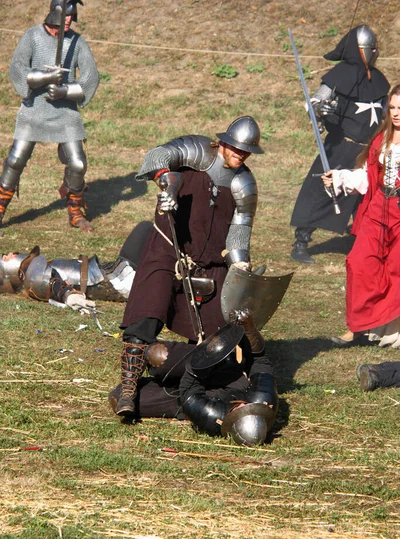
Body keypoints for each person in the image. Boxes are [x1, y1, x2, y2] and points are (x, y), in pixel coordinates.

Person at [115, 116, 264, 417]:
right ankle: (128, 393)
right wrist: (166, 183)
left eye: (246, 151)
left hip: (209, 267)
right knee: (144, 318)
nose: (240, 154)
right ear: (223, 142)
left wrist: (240, 266)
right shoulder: (196, 150)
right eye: (236, 148)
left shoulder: (244, 183)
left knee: (219, 343)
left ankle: (182, 385)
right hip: (168, 249)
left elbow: (239, 231)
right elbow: (159, 156)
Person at [290, 24, 390, 264]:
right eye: (369, 48)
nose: (373, 52)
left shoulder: (378, 80)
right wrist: (318, 108)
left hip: (368, 148)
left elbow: (386, 111)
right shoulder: (340, 75)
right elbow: (314, 103)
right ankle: (301, 242)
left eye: (375, 48)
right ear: (358, 50)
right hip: (340, 146)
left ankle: (364, 242)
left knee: (363, 197)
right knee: (319, 193)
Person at [109, 309, 279, 447]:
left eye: (239, 412)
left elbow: (190, 387)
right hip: (221, 371)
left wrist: (205, 358)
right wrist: (249, 329)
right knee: (158, 355)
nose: (243, 406)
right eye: (248, 408)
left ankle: (159, 383)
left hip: (184, 393)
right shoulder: (262, 399)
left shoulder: (213, 417)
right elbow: (260, 360)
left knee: (116, 397)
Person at [0, 0, 99, 232]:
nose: (68, 19)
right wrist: (44, 79)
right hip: (34, 109)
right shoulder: (33, 36)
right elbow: (18, 69)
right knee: (16, 160)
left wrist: (65, 91)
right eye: (65, 14)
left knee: (77, 163)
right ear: (54, 12)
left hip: (65, 113)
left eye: (71, 15)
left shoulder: (76, 41)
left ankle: (75, 213)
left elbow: (91, 77)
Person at [322, 84, 400, 347]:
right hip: (379, 208)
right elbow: (368, 178)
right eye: (392, 108)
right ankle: (357, 327)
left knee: (395, 269)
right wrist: (339, 178)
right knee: (358, 262)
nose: (396, 113)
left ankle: (389, 329)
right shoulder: (381, 140)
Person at [0, 221, 153, 306]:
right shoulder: (33, 276)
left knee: (146, 228)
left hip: (115, 271)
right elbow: (54, 283)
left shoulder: (35, 270)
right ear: (8, 273)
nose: (11, 254)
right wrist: (69, 296)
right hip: (120, 283)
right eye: (6, 257)